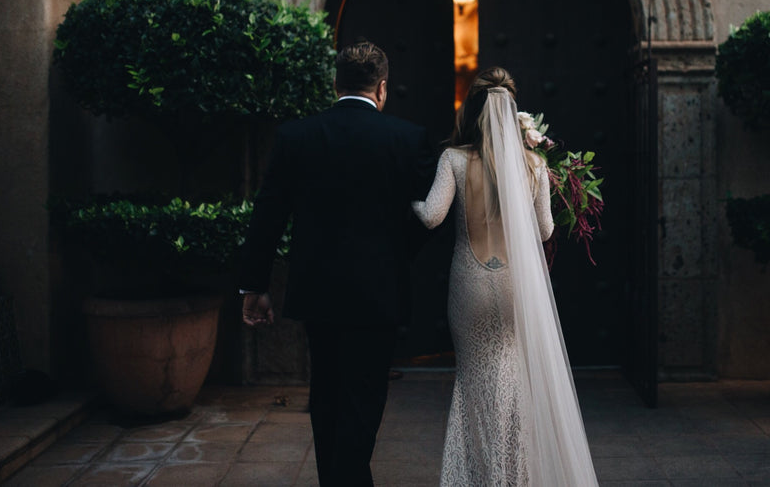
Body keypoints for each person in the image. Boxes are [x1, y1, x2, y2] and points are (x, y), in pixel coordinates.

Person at [239, 41, 434, 486]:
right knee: (364, 401)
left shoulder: (296, 136)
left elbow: (267, 214)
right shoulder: (407, 139)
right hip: (378, 293)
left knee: (326, 396)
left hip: (319, 291)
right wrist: (398, 251)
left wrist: (255, 285)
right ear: (382, 88)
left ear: (335, 84)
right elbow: (433, 215)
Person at [412, 67, 598, 486]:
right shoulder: (533, 165)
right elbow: (547, 230)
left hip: (470, 285)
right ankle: (512, 475)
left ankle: (480, 476)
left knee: (474, 385)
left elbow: (431, 216)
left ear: (472, 111)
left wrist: (409, 202)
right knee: (512, 386)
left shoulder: (454, 160)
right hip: (516, 286)